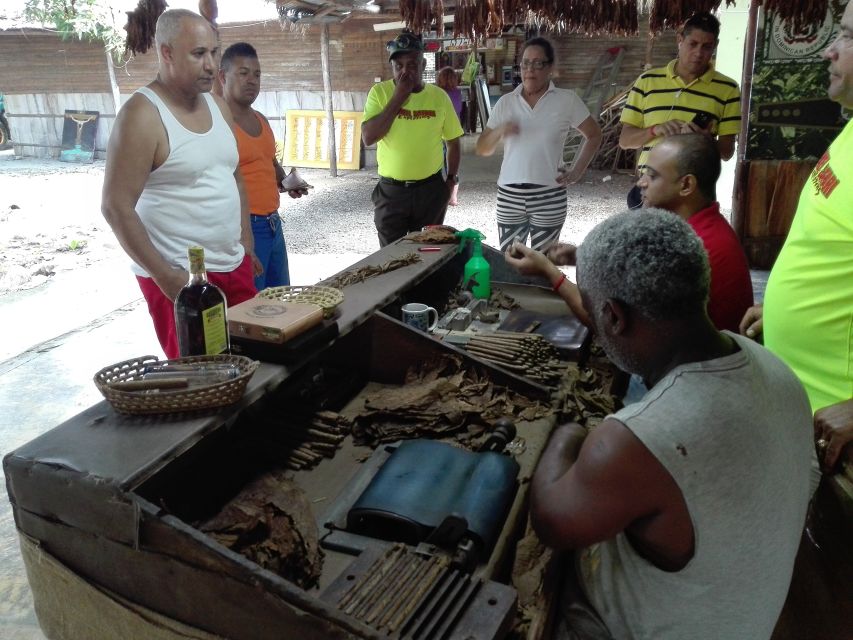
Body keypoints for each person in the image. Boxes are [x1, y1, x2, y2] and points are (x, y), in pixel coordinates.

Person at [531, 209, 813, 640]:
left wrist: (568, 431)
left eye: (589, 308)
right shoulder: (773, 368)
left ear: (613, 318)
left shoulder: (637, 440)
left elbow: (552, 521)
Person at [101, 9, 256, 359]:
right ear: (167, 52)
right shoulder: (142, 115)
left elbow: (233, 174)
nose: (212, 65)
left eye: (214, 53)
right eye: (199, 54)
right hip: (182, 278)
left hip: (234, 265)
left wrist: (245, 239)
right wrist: (167, 278)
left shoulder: (218, 105)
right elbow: (115, 207)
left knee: (252, 362)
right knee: (202, 378)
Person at [740, 1, 853, 474]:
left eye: (847, 36)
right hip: (806, 411)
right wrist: (785, 307)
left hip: (838, 433)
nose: (830, 50)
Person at [476, 37, 602, 253]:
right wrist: (499, 130)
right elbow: (482, 148)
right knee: (511, 261)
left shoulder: (566, 100)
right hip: (509, 197)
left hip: (549, 196)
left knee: (544, 265)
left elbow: (594, 135)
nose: (529, 69)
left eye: (537, 63)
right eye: (525, 63)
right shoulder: (506, 102)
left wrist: (576, 172)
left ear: (550, 67)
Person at [619, 12, 741, 209]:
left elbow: (727, 152)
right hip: (649, 187)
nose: (699, 53)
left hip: (695, 194)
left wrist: (704, 140)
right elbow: (625, 141)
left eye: (707, 46)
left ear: (715, 46)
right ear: (680, 40)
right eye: (693, 44)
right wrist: (654, 130)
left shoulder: (728, 89)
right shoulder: (647, 82)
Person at [637, 133, 752, 332]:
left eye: (652, 176)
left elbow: (628, 324)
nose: (641, 182)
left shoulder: (698, 246)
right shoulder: (698, 226)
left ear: (686, 185)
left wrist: (562, 282)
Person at [361, 32, 464, 247]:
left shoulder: (438, 97)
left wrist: (451, 180)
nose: (405, 71)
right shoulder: (379, 93)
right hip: (391, 193)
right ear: (392, 67)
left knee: (427, 253)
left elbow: (453, 141)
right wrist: (399, 96)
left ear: (424, 64)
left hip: (431, 191)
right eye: (399, 66)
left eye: (412, 64)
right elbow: (369, 137)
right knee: (391, 256)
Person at [219, 41, 305, 291]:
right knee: (253, 306)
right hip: (243, 228)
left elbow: (269, 162)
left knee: (282, 298)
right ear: (223, 76)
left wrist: (288, 183)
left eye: (257, 74)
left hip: (273, 224)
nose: (252, 81)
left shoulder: (261, 120)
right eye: (243, 73)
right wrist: (240, 239)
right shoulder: (218, 125)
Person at [436, 66, 463, 206]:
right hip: (455, 131)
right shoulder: (458, 93)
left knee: (438, 165)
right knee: (452, 167)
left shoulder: (438, 94)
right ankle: (453, 198)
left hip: (440, 132)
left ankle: (441, 195)